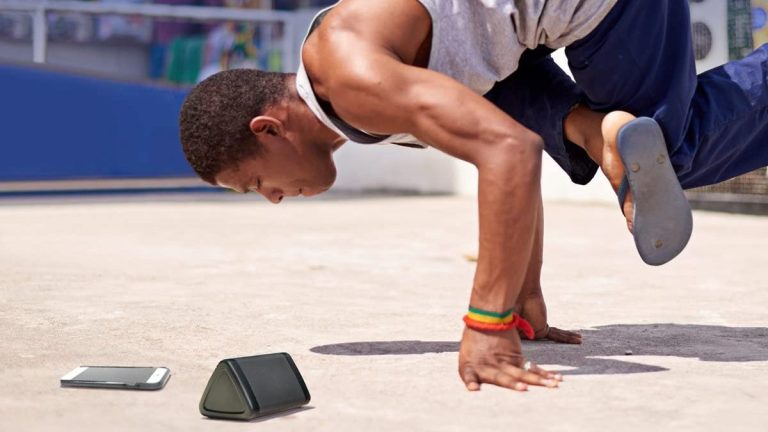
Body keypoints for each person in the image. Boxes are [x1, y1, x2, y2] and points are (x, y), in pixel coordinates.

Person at [179, 0, 768, 392]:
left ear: (269, 129)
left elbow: (508, 153)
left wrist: (487, 324)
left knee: (673, 150)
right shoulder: (359, 76)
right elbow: (515, 144)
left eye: (257, 184)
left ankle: (607, 133)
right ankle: (595, 131)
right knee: (524, 111)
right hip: (527, 39)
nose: (275, 199)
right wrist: (521, 293)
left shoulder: (353, 80)